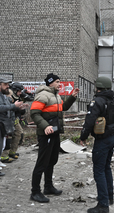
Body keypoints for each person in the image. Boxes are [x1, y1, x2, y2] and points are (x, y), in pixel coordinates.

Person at [30, 73, 79, 203]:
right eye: (57, 82)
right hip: (46, 134)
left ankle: (48, 187)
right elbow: (34, 113)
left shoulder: (55, 96)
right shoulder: (43, 95)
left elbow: (63, 107)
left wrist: (72, 97)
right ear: (50, 82)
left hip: (55, 133)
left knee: (52, 161)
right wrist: (45, 126)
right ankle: (35, 192)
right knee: (42, 163)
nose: (59, 84)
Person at [80, 76, 114, 213]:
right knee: (106, 168)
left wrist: (83, 137)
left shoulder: (97, 101)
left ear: (98, 87)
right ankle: (109, 197)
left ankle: (103, 205)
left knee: (99, 171)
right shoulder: (113, 100)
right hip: (112, 137)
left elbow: (89, 121)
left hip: (102, 140)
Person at [0, 82, 32, 163]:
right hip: (8, 120)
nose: (20, 93)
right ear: (14, 91)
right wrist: (18, 108)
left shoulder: (18, 96)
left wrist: (21, 108)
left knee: (19, 134)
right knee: (8, 137)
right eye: (19, 91)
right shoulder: (8, 97)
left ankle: (12, 152)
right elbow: (8, 109)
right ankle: (4, 156)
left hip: (15, 119)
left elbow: (31, 98)